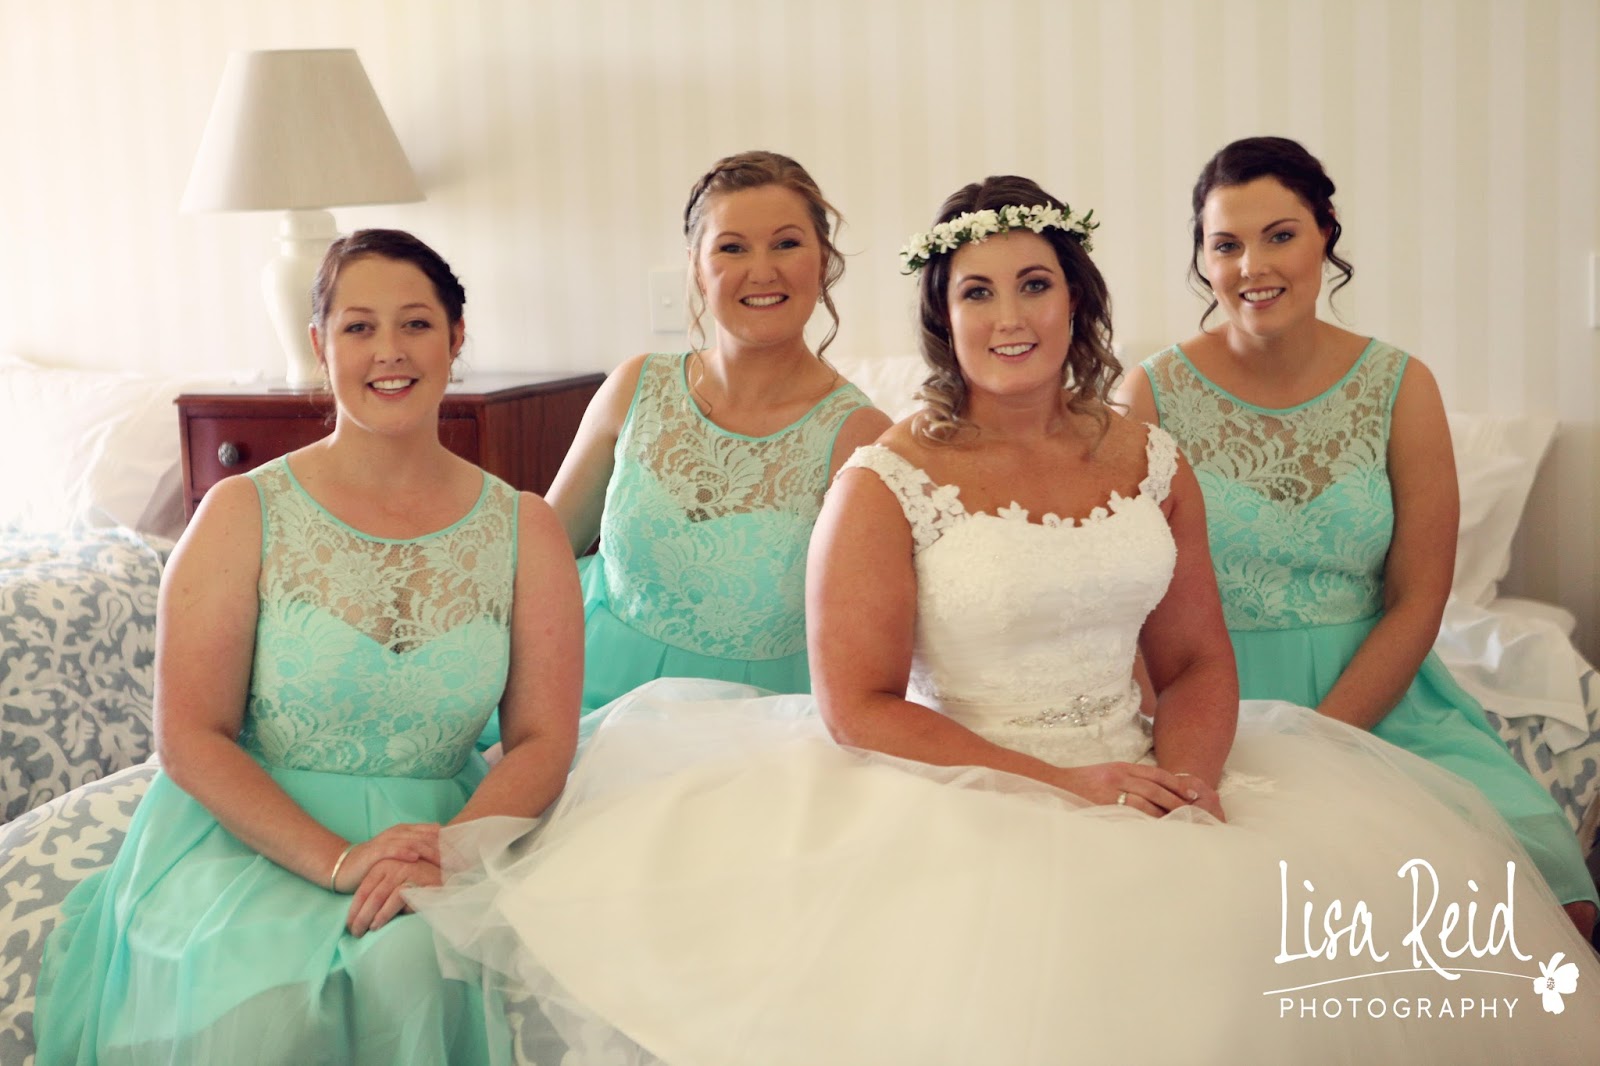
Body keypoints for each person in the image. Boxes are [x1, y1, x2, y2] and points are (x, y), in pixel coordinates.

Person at [414, 180, 1600, 1064]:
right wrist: (1064, 786)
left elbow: (1194, 658)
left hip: (1142, 768)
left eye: (1033, 282)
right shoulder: (885, 475)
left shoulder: (1152, 457)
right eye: (975, 291)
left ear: (1076, 298)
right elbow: (857, 705)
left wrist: (1186, 781)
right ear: (943, 317)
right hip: (954, 786)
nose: (1008, 314)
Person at [34, 229, 582, 1065]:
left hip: (441, 834)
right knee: (265, 1008)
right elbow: (190, 736)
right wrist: (339, 862)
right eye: (359, 327)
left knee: (414, 966)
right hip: (255, 839)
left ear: (456, 338)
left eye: (416, 324)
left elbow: (542, 739)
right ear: (321, 346)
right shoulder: (241, 513)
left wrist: (447, 856)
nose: (389, 351)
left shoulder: (525, 528)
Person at [1118, 135, 1598, 937]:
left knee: (1553, 903)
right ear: (1202, 258)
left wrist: (1323, 740)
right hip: (1207, 702)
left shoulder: (1401, 386)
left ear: (1325, 233)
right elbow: (1127, 590)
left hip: (1380, 697)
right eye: (1225, 245)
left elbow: (1419, 596)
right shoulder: (1150, 394)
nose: (1252, 266)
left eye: (1280, 235)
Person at [476, 150, 888, 752]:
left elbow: (870, 641)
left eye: (786, 244)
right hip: (583, 704)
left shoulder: (861, 436)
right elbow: (540, 557)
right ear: (697, 267)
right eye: (732, 248)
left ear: (823, 260)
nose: (762, 270)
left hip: (756, 734)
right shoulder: (634, 388)